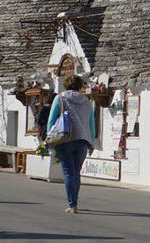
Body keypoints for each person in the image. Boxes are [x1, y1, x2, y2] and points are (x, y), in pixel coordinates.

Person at [46, 74, 96, 214]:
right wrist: (91, 142)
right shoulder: (87, 102)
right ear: (80, 85)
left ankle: (72, 204)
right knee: (76, 172)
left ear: (66, 85)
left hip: (65, 139)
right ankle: (75, 201)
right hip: (82, 141)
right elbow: (91, 124)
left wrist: (49, 138)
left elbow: (51, 120)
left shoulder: (60, 98)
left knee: (68, 172)